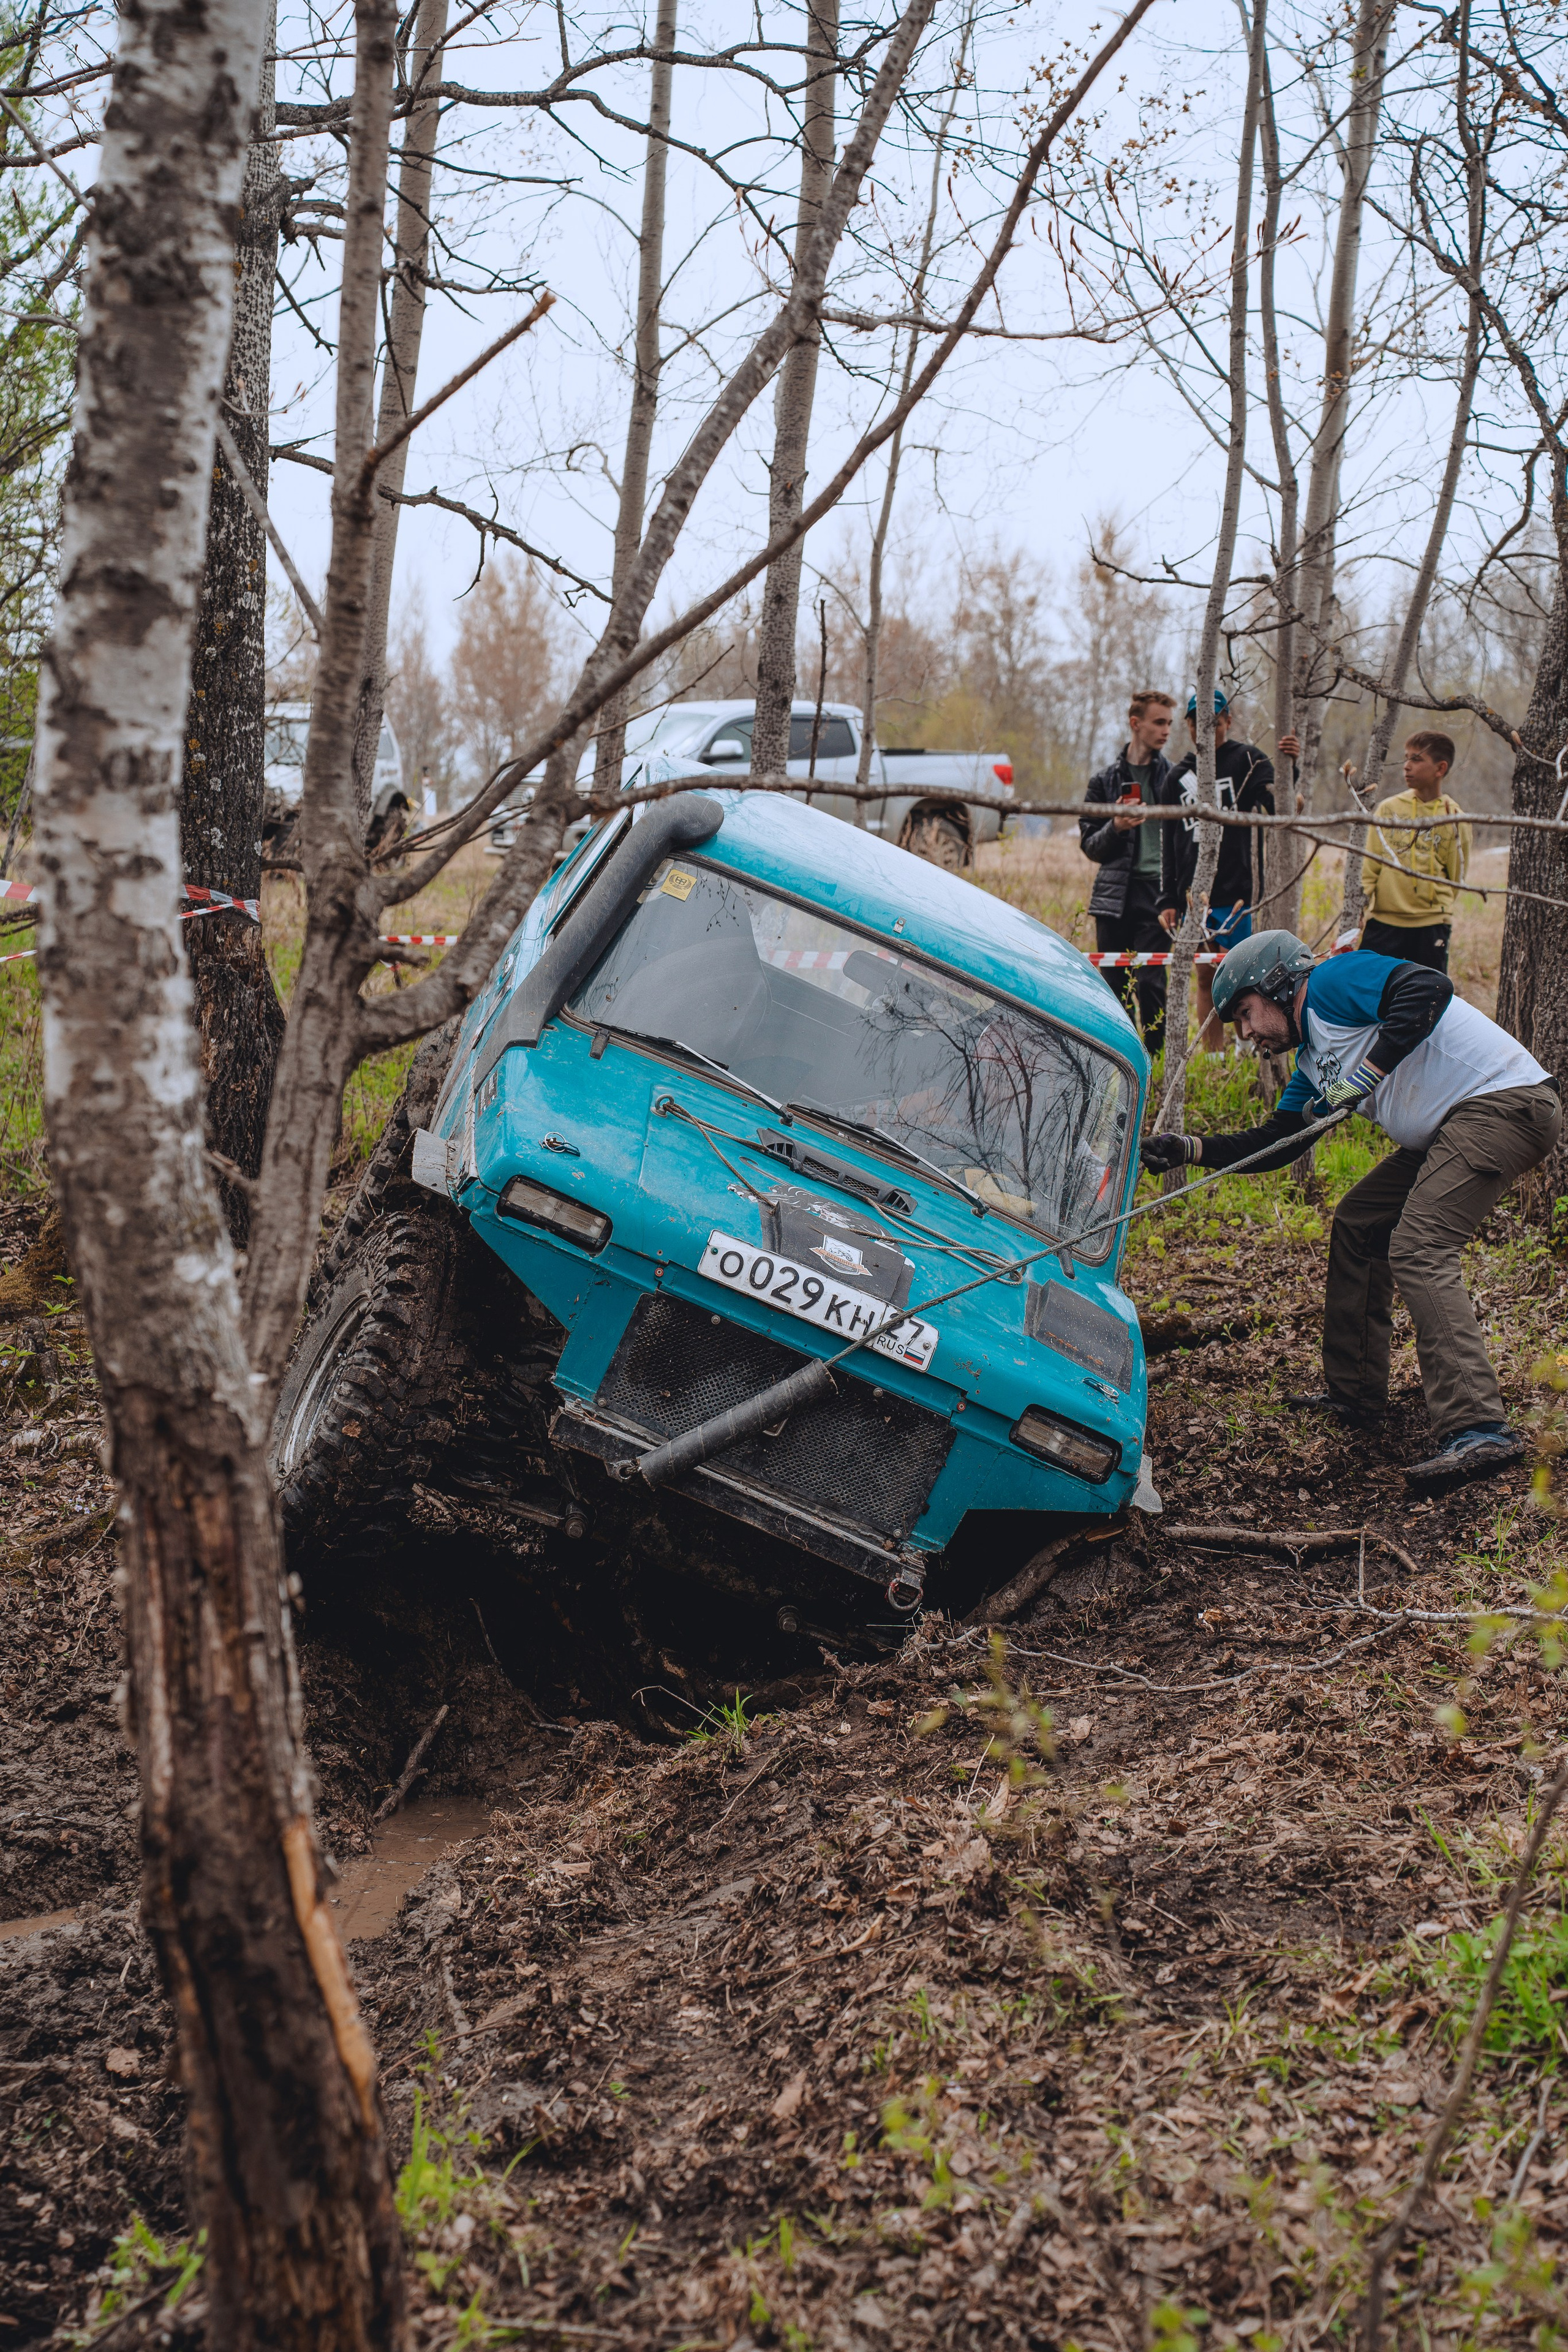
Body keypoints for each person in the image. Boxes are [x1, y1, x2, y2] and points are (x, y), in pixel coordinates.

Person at [1139, 930, 1559, 1492]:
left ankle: (1479, 1428)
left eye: (1245, 1013)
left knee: (1419, 1245)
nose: (1246, 1034)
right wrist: (1189, 1149)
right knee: (1360, 1221)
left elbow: (1429, 988)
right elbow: (1280, 1141)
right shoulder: (1313, 1059)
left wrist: (1370, 1073)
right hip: (1452, 1127)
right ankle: (1356, 1395)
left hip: (1506, 1104)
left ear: (1278, 986)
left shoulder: (1331, 985)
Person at [1158, 691, 1300, 1048]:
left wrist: (1290, 768)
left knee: (1249, 979)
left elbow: (1276, 804)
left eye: (1215, 722)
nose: (1207, 730)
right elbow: (1169, 845)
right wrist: (1169, 897)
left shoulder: (1248, 759)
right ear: (1188, 726)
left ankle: (1248, 1048)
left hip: (1240, 891)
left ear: (1228, 721)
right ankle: (1213, 1057)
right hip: (1197, 896)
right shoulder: (1178, 777)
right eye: (1197, 723)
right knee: (1205, 976)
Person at [1079, 690, 1178, 1048]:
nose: (1166, 730)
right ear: (1136, 724)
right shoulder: (1103, 782)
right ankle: (1117, 1061)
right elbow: (1090, 846)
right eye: (1159, 722)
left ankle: (1154, 1062)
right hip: (1114, 896)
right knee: (1114, 989)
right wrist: (1116, 827)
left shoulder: (1176, 778)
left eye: (1169, 723)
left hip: (1159, 896)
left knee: (1153, 984)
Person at [1358, 731, 1471, 973]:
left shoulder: (1455, 817)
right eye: (1406, 758)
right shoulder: (1390, 809)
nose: (1407, 766)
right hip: (1384, 923)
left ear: (1440, 768)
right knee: (1371, 992)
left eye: (1417, 760)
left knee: (1425, 996)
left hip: (1431, 926)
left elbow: (1456, 876)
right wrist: (1361, 905)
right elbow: (1370, 866)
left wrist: (1434, 907)